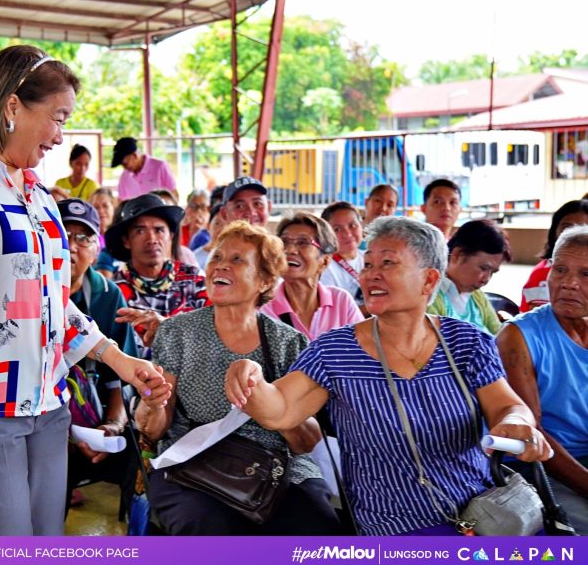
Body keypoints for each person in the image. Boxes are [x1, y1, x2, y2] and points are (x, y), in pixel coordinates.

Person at [0, 45, 166, 537]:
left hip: (47, 406)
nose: (62, 136)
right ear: (13, 106)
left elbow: (52, 305)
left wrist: (115, 358)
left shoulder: (39, 196)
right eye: (58, 118)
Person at [225, 216, 552, 536]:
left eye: (388, 264)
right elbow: (280, 408)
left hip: (482, 514)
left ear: (428, 280)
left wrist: (518, 422)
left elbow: (507, 407)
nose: (371, 276)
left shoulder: (466, 342)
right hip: (395, 526)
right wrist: (249, 375)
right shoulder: (336, 351)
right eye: (368, 265)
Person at [135, 221, 340, 535]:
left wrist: (269, 403)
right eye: (217, 257)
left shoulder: (289, 342)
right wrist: (154, 403)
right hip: (193, 465)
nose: (220, 266)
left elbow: (306, 441)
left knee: (317, 526)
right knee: (208, 530)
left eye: (237, 260)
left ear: (263, 280)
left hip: (276, 467)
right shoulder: (177, 333)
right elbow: (157, 428)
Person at [497, 225, 588, 535]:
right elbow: (530, 432)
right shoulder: (517, 336)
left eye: (585, 274)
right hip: (540, 466)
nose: (569, 283)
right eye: (559, 269)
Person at [56, 198, 137, 515]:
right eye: (63, 236)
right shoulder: (29, 290)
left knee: (138, 454)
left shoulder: (107, 294)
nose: (72, 247)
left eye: (83, 238)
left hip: (94, 414)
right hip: (44, 419)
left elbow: (118, 377)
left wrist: (113, 425)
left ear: (96, 248)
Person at [105, 193, 209, 359]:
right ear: (126, 241)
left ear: (171, 237)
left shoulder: (193, 279)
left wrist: (166, 326)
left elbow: (216, 331)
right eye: (140, 231)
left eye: (159, 230)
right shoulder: (113, 290)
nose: (152, 239)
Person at [260, 212, 363, 341]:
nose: (290, 250)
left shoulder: (341, 302)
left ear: (324, 261)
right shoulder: (264, 306)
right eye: (284, 242)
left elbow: (362, 353)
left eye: (303, 242)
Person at [428, 220, 510, 335]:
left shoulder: (477, 297)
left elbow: (500, 338)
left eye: (492, 272)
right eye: (483, 268)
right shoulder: (430, 298)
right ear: (457, 255)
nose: (486, 279)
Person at [520, 199, 588, 312]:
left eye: (583, 228)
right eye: (560, 270)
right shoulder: (541, 274)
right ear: (554, 231)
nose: (574, 235)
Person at [319, 201, 365, 308]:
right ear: (326, 235)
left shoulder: (369, 258)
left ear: (361, 226)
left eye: (352, 225)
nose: (347, 233)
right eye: (337, 229)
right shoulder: (325, 268)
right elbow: (336, 314)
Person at [112, 137, 176, 201]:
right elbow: (121, 201)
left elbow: (174, 195)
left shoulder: (160, 167)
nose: (124, 168)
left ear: (135, 155)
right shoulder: (125, 176)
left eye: (125, 164)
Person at [90, 188, 120, 279]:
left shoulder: (122, 237)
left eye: (105, 206)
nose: (101, 211)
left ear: (113, 207)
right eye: (96, 207)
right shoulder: (89, 238)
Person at [193, 202, 226, 269]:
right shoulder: (195, 258)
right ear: (208, 226)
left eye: (227, 224)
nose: (222, 229)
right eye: (217, 223)